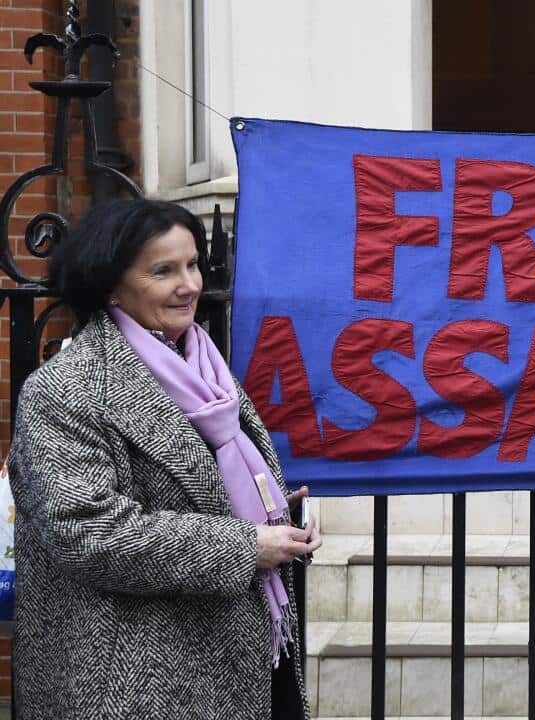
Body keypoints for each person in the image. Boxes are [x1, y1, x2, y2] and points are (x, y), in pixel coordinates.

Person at [8, 199, 322, 719]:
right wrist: (245, 544)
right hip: (134, 679)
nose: (190, 285)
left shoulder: (203, 367)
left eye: (193, 264)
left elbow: (192, 490)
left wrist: (274, 520)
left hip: (232, 658)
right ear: (111, 284)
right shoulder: (66, 389)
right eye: (163, 271)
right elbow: (89, 532)